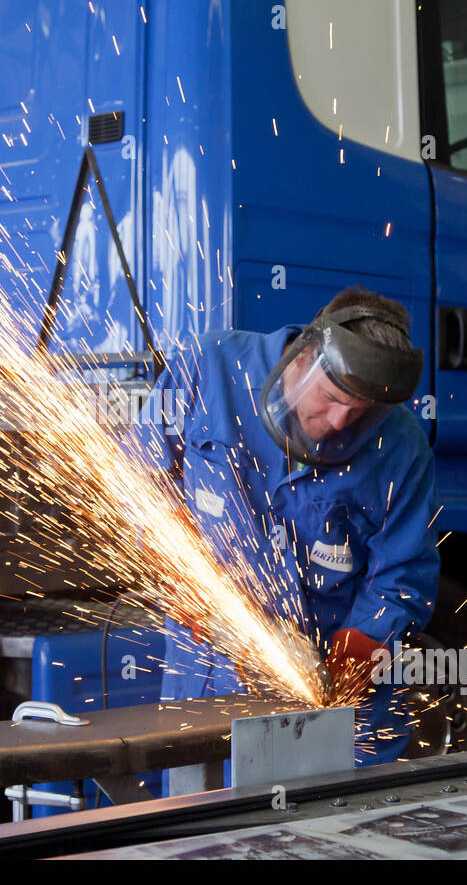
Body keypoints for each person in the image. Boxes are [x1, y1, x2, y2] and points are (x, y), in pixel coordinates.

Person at [136, 286, 440, 772]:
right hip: (211, 685)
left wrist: (344, 669)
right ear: (301, 358)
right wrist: (182, 576)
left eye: (359, 411)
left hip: (340, 705)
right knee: (202, 837)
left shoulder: (401, 447)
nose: (340, 421)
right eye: (332, 397)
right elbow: (141, 485)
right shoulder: (207, 371)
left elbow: (403, 577)